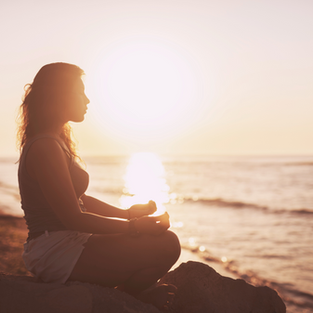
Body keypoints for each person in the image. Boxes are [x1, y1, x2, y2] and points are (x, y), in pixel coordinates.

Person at [17, 62, 181, 309]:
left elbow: (78, 200)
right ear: (59, 95)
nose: (87, 100)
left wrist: (127, 214)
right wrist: (133, 226)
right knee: (168, 244)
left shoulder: (55, 141)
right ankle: (133, 295)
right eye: (80, 92)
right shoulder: (45, 147)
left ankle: (131, 292)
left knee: (163, 240)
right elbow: (74, 217)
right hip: (56, 251)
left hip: (67, 242)